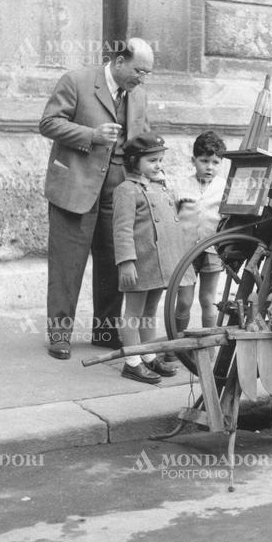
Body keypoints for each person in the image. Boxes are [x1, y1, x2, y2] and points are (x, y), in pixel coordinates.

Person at [39, 38, 154, 359]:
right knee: (67, 265)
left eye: (147, 74)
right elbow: (48, 123)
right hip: (74, 187)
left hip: (118, 192)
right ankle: (59, 336)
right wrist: (90, 135)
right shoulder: (76, 81)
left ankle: (105, 333)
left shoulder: (139, 95)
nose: (141, 79)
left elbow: (143, 138)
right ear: (119, 61)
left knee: (112, 262)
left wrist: (153, 170)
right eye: (138, 71)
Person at [112, 133, 196, 384]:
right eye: (152, 161)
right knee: (133, 312)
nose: (159, 165)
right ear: (134, 161)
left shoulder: (158, 187)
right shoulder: (126, 190)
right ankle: (132, 362)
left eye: (160, 160)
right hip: (140, 263)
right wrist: (126, 261)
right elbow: (122, 229)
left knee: (150, 310)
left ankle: (147, 356)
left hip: (159, 264)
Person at [173, 132, 227, 334]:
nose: (209, 167)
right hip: (186, 251)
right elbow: (172, 218)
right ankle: (175, 346)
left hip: (212, 251)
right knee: (184, 301)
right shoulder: (181, 186)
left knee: (208, 300)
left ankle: (208, 349)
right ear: (193, 160)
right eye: (204, 161)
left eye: (215, 162)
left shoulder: (225, 188)